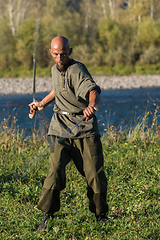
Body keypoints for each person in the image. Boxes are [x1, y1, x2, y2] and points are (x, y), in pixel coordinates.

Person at [29, 36, 108, 231]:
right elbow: (58, 89)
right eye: (55, 54)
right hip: (60, 127)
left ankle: (101, 216)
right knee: (55, 171)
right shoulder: (54, 69)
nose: (59, 58)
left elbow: (93, 91)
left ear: (70, 52)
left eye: (63, 54)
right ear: (50, 53)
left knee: (94, 175)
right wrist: (41, 104)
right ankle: (47, 214)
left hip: (84, 129)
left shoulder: (77, 69)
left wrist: (91, 106)